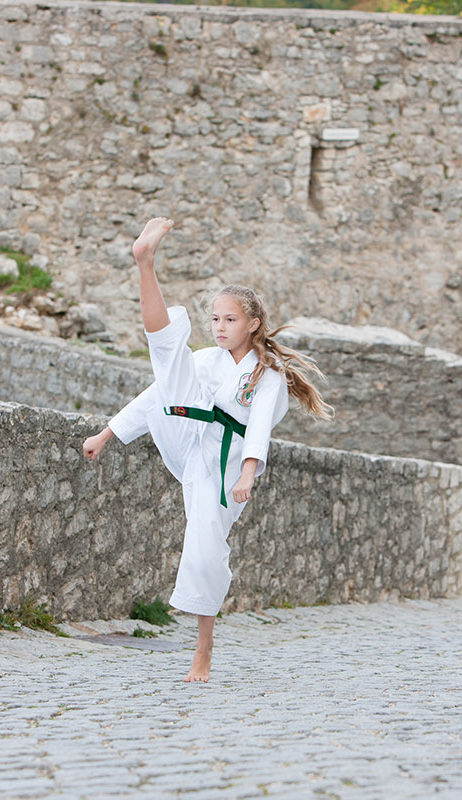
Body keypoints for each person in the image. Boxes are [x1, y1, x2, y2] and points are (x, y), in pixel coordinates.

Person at [82, 217, 332, 682]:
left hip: (225, 464)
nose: (219, 327)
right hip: (189, 438)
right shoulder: (207, 360)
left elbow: (258, 430)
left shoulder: (269, 376)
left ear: (253, 324)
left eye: (229, 320)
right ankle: (145, 264)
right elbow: (156, 395)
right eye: (215, 319)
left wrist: (246, 475)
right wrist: (107, 434)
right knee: (170, 362)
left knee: (203, 549)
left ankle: (204, 647)